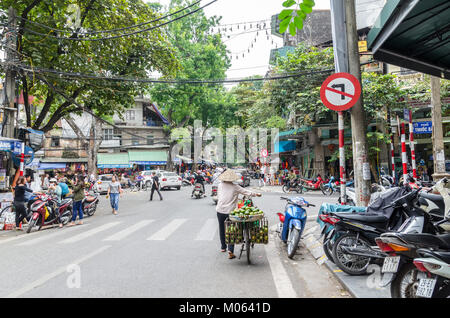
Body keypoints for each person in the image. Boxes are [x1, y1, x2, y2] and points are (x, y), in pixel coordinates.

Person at [216, 169, 261, 259]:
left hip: (220, 210)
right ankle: (230, 250)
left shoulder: (220, 185)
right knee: (231, 230)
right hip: (230, 211)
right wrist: (256, 194)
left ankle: (223, 247)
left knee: (222, 228)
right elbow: (246, 192)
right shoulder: (235, 187)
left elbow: (221, 196)